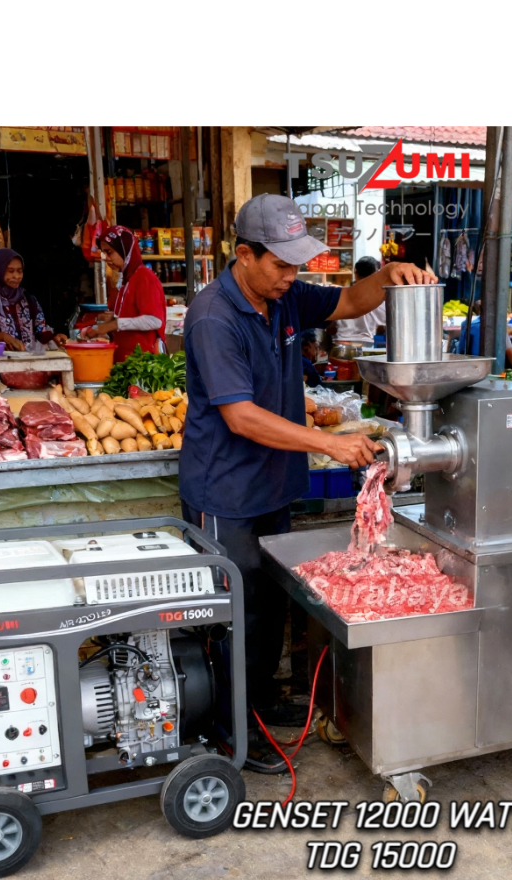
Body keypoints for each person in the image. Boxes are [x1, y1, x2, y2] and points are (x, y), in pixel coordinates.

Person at [180, 194, 436, 770]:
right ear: (244, 255)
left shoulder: (285, 295)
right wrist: (329, 442)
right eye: (281, 265)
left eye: (298, 266)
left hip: (274, 485)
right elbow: (239, 415)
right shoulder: (214, 316)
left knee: (269, 608)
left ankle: (258, 705)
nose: (291, 277)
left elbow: (348, 300)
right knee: (233, 616)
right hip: (227, 492)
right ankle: (229, 733)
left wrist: (391, 277)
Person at [81, 226, 167, 362]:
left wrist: (114, 324)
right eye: (103, 253)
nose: (106, 258)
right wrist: (107, 321)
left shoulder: (144, 277)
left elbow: (154, 320)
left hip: (144, 365)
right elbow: (130, 315)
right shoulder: (126, 280)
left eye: (109, 252)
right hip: (125, 363)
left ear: (124, 250)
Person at [0, 248, 68, 352]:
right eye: (10, 271)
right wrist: (4, 338)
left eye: (19, 271)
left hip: (28, 362)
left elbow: (40, 328)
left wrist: (53, 337)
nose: (16, 276)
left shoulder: (28, 299)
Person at [328, 256, 386, 346]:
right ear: (376, 274)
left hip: (342, 346)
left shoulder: (340, 295)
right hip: (372, 347)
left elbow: (330, 328)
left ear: (355, 273)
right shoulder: (383, 298)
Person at [459, 300, 512, 370]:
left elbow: (460, 348)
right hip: (490, 367)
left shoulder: (466, 324)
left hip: (468, 366)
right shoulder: (496, 327)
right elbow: (509, 350)